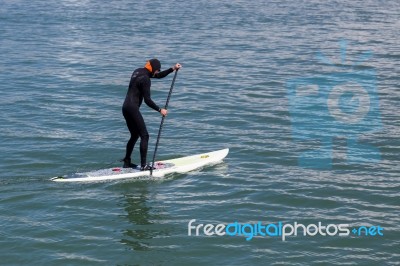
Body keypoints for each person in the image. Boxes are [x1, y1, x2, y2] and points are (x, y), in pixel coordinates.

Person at [122, 59, 181, 170]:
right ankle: (144, 166)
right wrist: (160, 110)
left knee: (135, 135)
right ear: (153, 69)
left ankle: (127, 162)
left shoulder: (138, 71)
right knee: (145, 136)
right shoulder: (146, 79)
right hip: (133, 109)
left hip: (125, 108)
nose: (157, 72)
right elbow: (147, 100)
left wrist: (172, 69)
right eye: (157, 70)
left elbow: (158, 76)